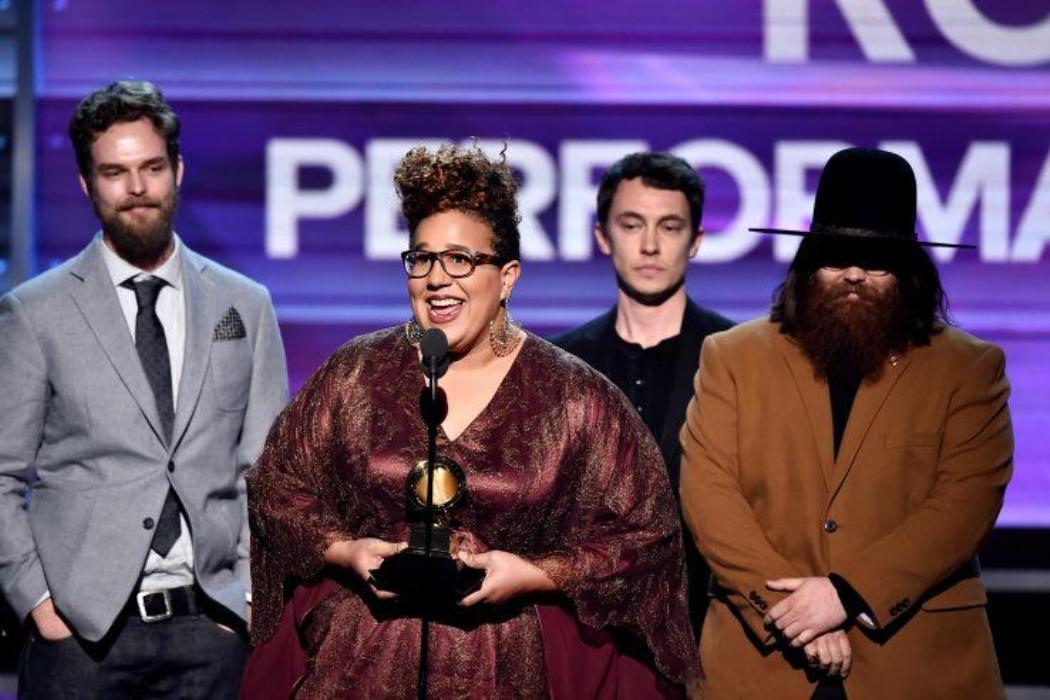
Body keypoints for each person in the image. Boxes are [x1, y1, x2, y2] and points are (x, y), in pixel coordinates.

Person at [242, 143, 699, 698]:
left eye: (460, 259)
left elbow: (644, 536)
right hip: (361, 661)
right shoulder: (355, 373)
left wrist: (534, 573)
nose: (437, 278)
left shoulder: (573, 395)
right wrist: (347, 551)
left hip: (508, 667)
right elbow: (277, 486)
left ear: (506, 276)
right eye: (422, 258)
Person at [679, 147, 1012, 699]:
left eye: (875, 261)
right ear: (808, 264)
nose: (854, 274)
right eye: (837, 257)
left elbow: (965, 503)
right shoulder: (732, 356)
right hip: (761, 664)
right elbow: (708, 494)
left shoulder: (968, 368)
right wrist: (796, 612)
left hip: (918, 666)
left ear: (908, 272)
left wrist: (848, 594)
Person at [0, 80, 288, 697]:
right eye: (114, 172)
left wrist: (250, 595)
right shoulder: (34, 313)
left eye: (152, 167)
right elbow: (1, 473)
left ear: (177, 170)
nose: (136, 188)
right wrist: (37, 601)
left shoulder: (245, 305)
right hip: (80, 637)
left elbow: (267, 470)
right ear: (86, 183)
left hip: (211, 627)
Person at [551, 151, 733, 635]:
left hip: (704, 626)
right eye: (632, 225)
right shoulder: (559, 365)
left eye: (669, 227)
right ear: (602, 236)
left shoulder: (739, 360)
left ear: (694, 241)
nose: (650, 245)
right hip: (585, 629)